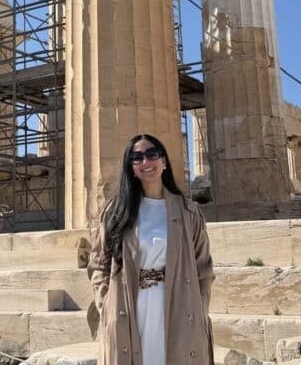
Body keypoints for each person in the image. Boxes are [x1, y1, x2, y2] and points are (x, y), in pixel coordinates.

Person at [87, 133, 214, 365]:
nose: (146, 161)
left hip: (179, 305)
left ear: (164, 161)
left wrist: (200, 306)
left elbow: (203, 269)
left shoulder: (189, 213)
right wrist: (105, 304)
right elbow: (98, 264)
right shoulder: (115, 212)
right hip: (128, 307)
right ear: (131, 168)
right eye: (137, 158)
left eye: (152, 154)